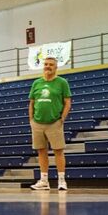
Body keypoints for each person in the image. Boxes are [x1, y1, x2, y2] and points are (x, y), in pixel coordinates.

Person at [28, 56, 72, 191]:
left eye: (51, 64)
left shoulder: (62, 82)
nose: (48, 66)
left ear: (56, 67)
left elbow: (68, 102)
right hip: (37, 123)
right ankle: (44, 181)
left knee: (58, 151)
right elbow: (32, 103)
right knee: (41, 151)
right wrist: (31, 120)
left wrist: (62, 119)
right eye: (46, 64)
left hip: (54, 123)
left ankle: (61, 180)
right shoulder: (36, 83)